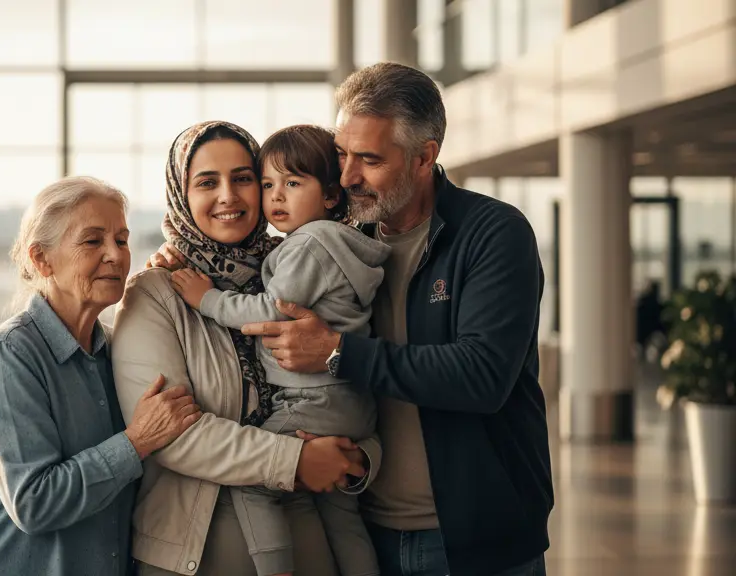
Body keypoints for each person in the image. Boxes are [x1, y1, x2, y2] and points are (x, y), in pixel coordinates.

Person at [150, 64, 554, 576]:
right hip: (372, 522)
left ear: (425, 156)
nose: (346, 176)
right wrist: (177, 256)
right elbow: (253, 261)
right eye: (341, 154)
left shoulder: (492, 234)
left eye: (369, 159)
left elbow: (482, 376)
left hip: (474, 542)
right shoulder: (349, 236)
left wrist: (338, 351)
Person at [111, 120, 381, 576]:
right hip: (197, 558)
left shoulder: (294, 266)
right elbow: (173, 436)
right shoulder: (157, 292)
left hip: (312, 549)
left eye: (243, 178)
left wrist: (360, 458)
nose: (228, 196)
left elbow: (355, 382)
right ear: (181, 194)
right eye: (206, 182)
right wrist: (295, 461)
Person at [0, 177, 202, 576]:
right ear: (42, 260)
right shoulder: (11, 355)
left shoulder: (115, 351)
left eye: (122, 239)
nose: (116, 255)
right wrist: (136, 443)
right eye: (93, 241)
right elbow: (34, 502)